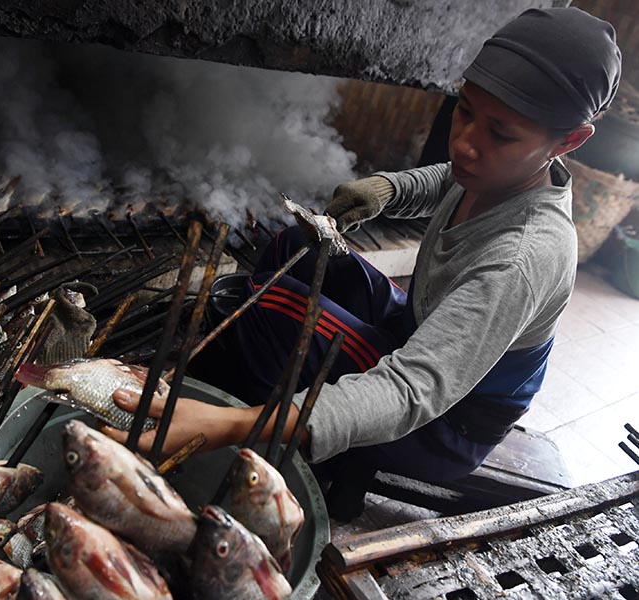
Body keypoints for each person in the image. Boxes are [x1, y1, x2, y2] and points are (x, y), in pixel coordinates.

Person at [103, 7, 622, 519]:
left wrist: (232, 425)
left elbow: (411, 389)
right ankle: (256, 386)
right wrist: (388, 190)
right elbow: (450, 177)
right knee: (296, 247)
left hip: (445, 424)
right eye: (464, 111)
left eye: (501, 134)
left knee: (274, 306)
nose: (465, 144)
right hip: (415, 327)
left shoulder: (524, 256)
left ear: (569, 140)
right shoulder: (503, 172)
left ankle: (232, 427)